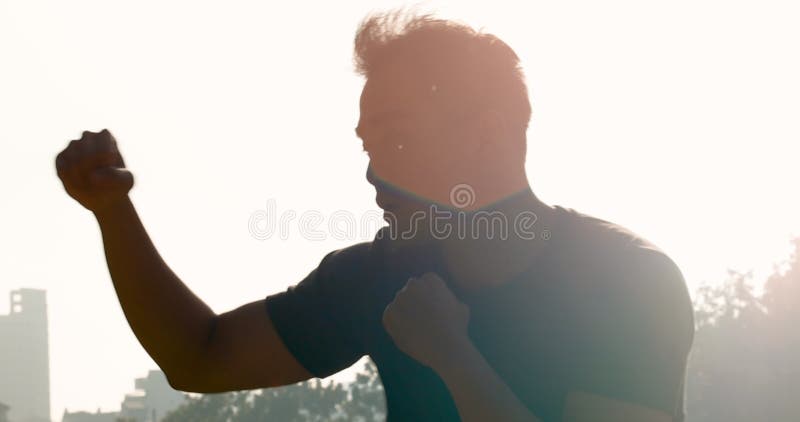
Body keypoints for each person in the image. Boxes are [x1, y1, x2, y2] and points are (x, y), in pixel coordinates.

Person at [55, 10, 694, 422]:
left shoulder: (628, 282)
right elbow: (201, 358)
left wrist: (452, 356)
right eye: (369, 146)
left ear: (487, 136)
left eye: (396, 140)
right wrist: (113, 213)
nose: (371, 173)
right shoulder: (375, 278)